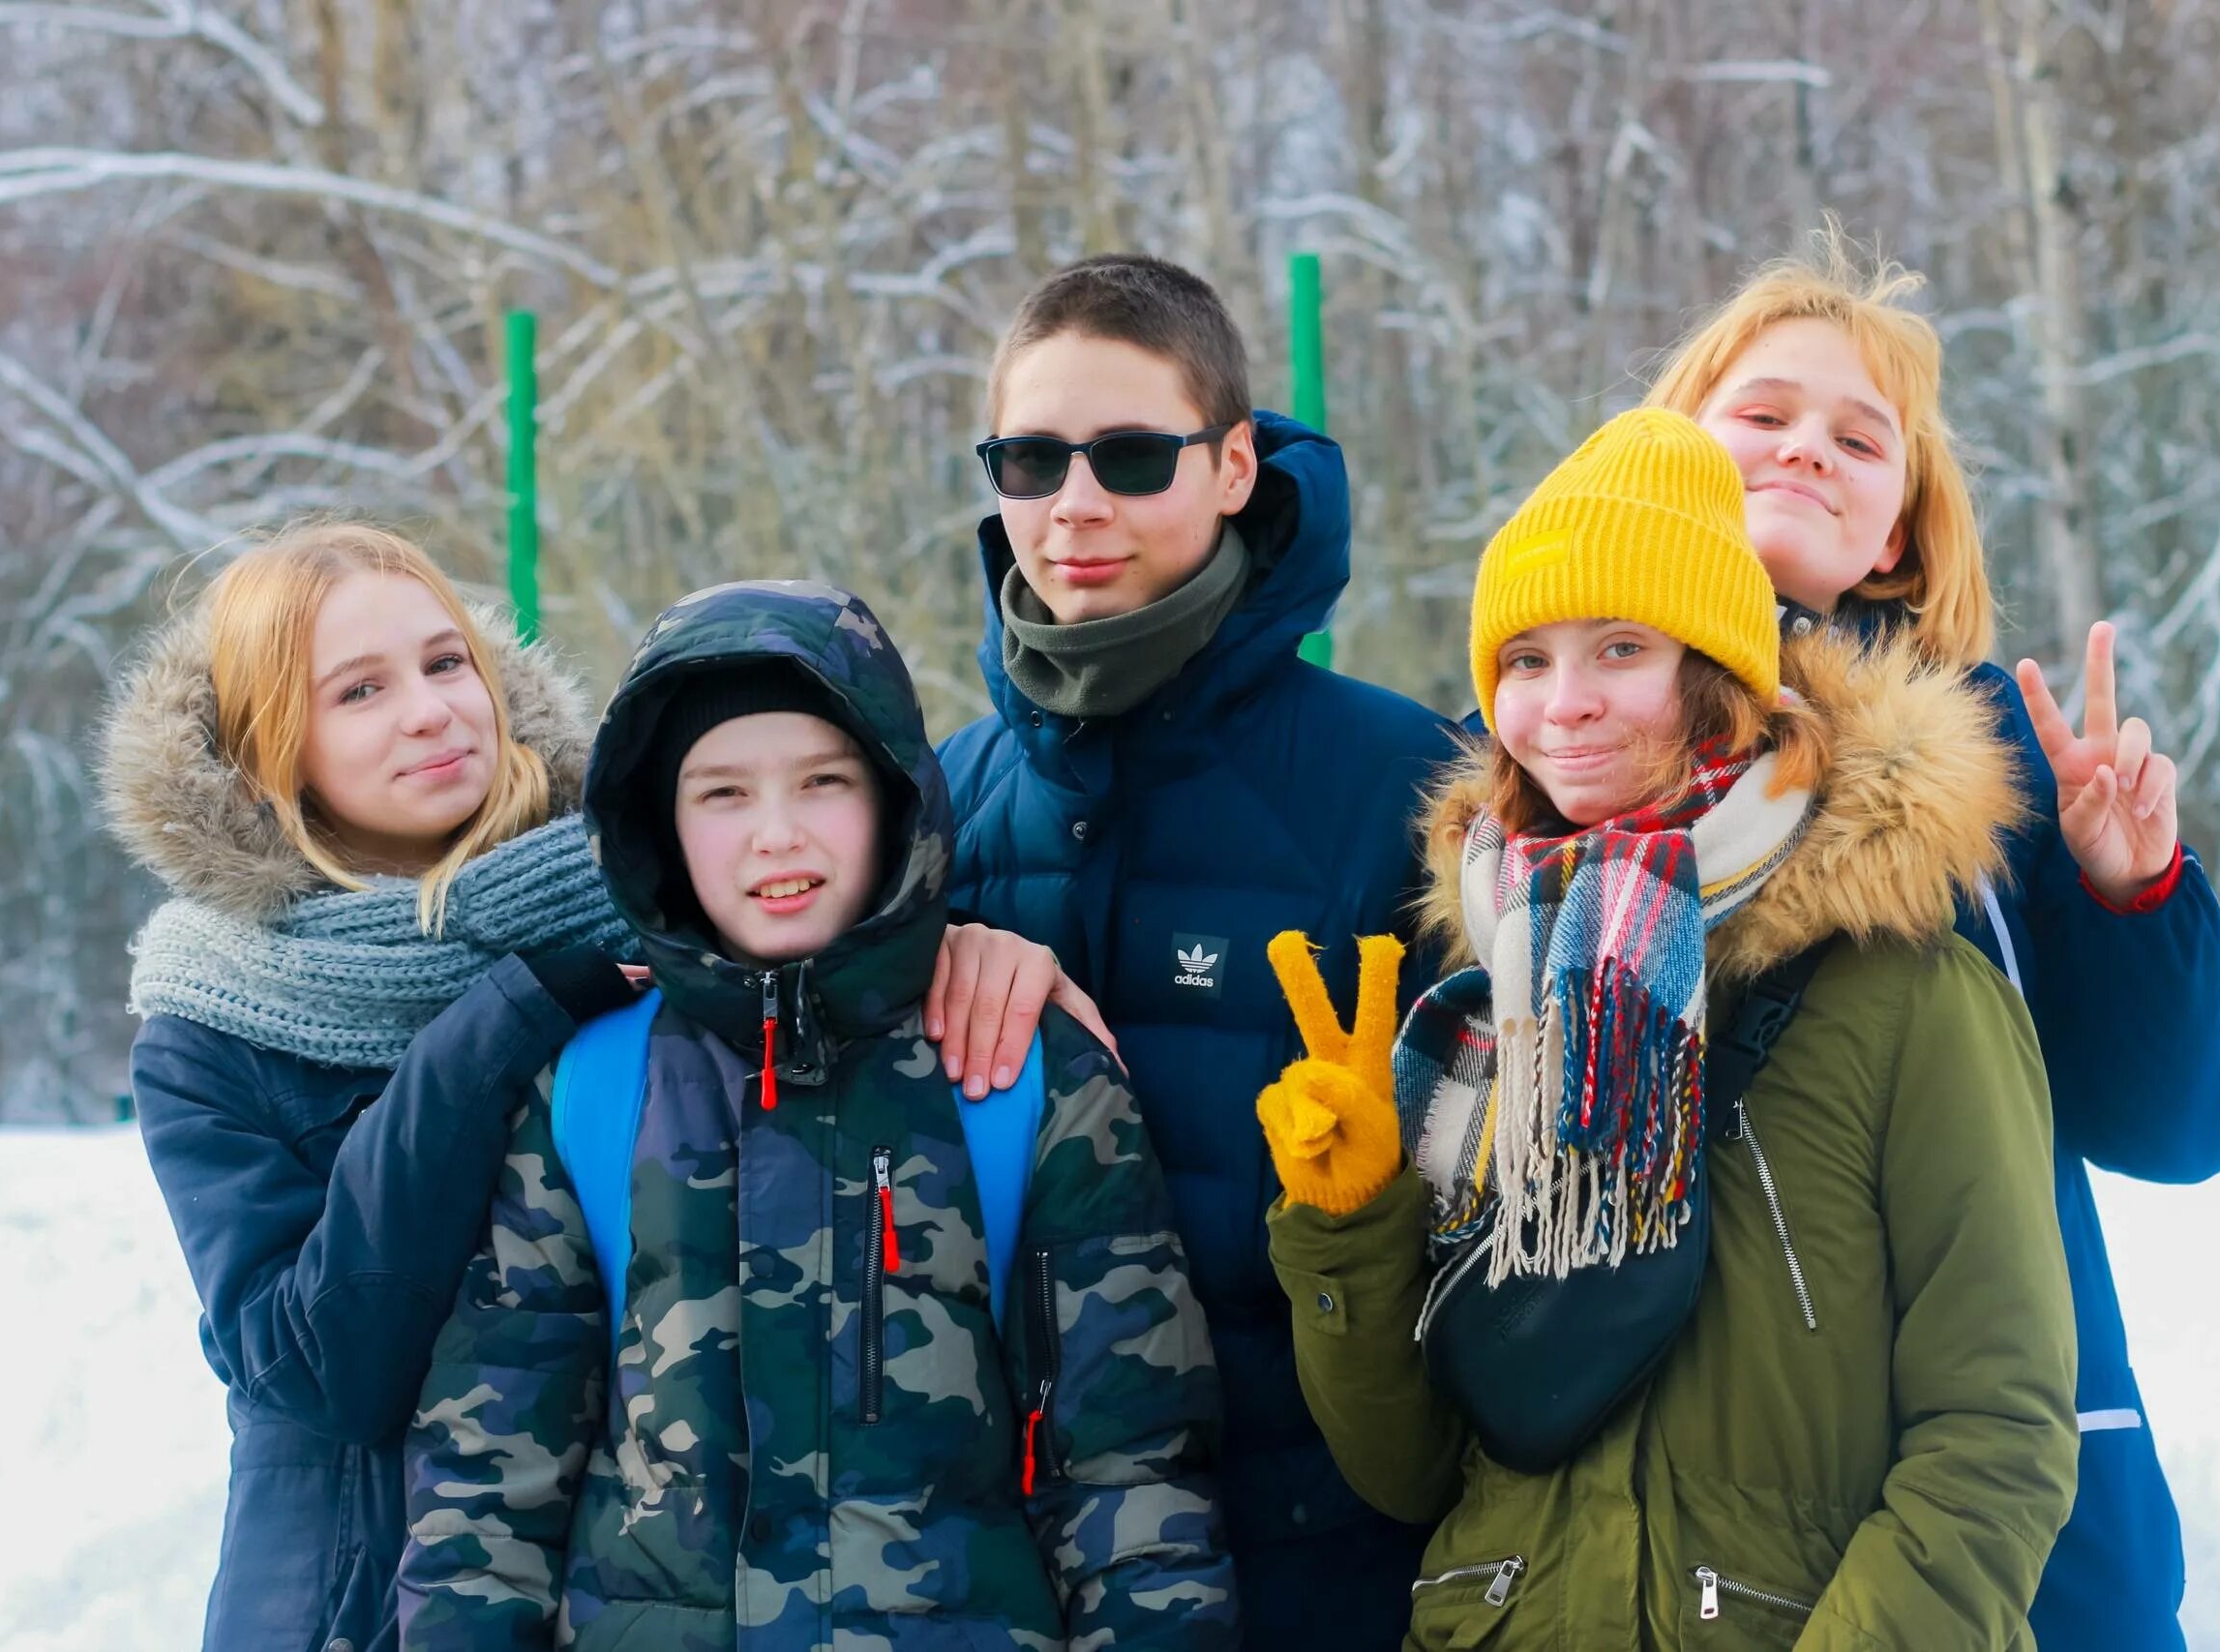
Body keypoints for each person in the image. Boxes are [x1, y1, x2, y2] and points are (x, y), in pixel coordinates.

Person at [103, 525, 1090, 1652]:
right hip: (354, 1602)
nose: (428, 709)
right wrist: (496, 1026)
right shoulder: (214, 1018)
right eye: (359, 691)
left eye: (445, 662)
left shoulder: (642, 908)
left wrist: (955, 949)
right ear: (272, 749)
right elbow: (320, 1374)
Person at [1261, 407, 2080, 1648]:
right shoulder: (1484, 1008)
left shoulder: (1907, 996)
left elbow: (1997, 1434)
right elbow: (1412, 1471)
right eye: (1524, 661)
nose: (1562, 706)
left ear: (1715, 676)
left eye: (1620, 649)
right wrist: (1351, 1226)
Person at [398, 579, 1235, 1650]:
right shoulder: (592, 1089)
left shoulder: (1023, 1072)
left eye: (823, 782)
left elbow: (1132, 1474)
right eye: (722, 794)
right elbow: (488, 1480)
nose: (777, 835)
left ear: (893, 800)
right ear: (659, 825)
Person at [1644, 228, 2220, 1652]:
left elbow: (2180, 1126)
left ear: (1902, 529)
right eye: (1763, 415)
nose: (1807, 448)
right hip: (1691, 1512)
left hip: (2026, 1521)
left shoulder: (2003, 756)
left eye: (1861, 438)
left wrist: (2132, 892)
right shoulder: (1559, 736)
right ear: (1666, 453)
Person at [939, 253, 1461, 1649]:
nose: (1077, 502)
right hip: (1002, 1565)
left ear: (1233, 464)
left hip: (1325, 1566)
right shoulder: (939, 801)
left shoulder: (1401, 779)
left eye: (1128, 453)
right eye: (1032, 459)